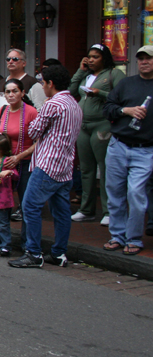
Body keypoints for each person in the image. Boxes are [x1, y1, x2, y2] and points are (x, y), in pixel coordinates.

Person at [9, 65, 81, 269]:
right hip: (66, 166)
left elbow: (33, 131)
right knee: (61, 211)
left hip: (48, 164)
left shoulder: (53, 104)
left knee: (30, 206)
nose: (42, 86)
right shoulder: (74, 104)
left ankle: (33, 253)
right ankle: (59, 253)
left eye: (43, 82)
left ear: (51, 84)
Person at [102, 45, 153, 256]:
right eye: (141, 58)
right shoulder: (126, 84)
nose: (144, 62)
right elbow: (108, 108)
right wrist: (126, 110)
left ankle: (133, 238)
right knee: (115, 194)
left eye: (148, 58)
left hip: (145, 149)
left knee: (136, 194)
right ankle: (117, 236)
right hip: (119, 145)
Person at [68, 43, 125, 225]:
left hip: (102, 125)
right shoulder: (86, 76)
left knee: (106, 168)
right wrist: (80, 71)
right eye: (89, 57)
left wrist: (99, 93)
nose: (91, 60)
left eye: (95, 57)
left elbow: (122, 97)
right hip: (83, 126)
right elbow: (70, 91)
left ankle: (109, 211)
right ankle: (86, 209)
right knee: (86, 169)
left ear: (104, 58)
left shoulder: (113, 74)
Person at [0, 79, 37, 234]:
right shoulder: (3, 111)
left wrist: (19, 157)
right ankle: (3, 240)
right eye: (8, 92)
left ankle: (28, 243)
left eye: (15, 91)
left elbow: (39, 142)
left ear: (22, 93)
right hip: (5, 162)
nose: (11, 95)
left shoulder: (31, 112)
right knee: (3, 202)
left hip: (24, 162)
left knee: (26, 203)